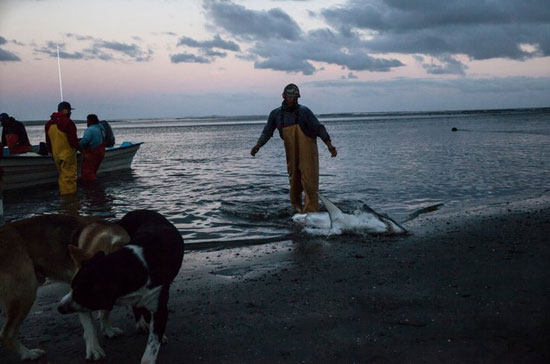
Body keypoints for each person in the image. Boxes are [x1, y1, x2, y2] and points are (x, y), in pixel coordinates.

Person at [250, 84, 337, 213]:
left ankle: (311, 211)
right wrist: (258, 145)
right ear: (283, 96)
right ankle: (297, 211)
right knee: (294, 181)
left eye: (296, 97)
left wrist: (329, 144)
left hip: (308, 150)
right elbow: (267, 131)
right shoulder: (276, 114)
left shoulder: (304, 111)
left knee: (309, 181)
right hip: (291, 152)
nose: (294, 100)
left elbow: (319, 128)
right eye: (291, 97)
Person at [45, 101, 79, 195]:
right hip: (68, 155)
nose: (70, 113)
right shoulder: (68, 122)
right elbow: (73, 140)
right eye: (69, 111)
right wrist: (81, 149)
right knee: (69, 178)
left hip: (56, 155)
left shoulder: (48, 124)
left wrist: (50, 153)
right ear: (65, 111)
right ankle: (70, 201)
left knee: (62, 177)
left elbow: (48, 141)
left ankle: (63, 197)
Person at [80, 114, 106, 183]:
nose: (87, 123)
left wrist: (78, 146)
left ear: (90, 121)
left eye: (87, 121)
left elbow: (85, 141)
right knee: (93, 170)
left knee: (87, 172)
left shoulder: (90, 130)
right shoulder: (101, 129)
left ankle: (90, 188)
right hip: (101, 152)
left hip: (92, 152)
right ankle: (96, 188)